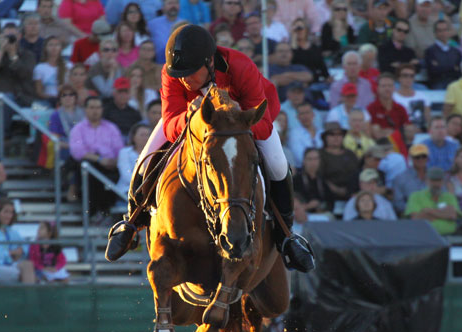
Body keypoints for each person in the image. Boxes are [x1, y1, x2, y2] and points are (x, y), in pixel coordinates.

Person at [104, 24, 314, 271]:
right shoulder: (171, 73)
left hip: (247, 121)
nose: (184, 79)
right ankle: (131, 222)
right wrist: (191, 119)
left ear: (209, 63)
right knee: (144, 161)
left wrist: (231, 122)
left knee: (278, 165)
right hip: (190, 119)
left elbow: (263, 124)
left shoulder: (241, 66)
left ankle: (286, 235)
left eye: (191, 72)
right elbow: (171, 120)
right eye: (180, 73)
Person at [68, 96, 124, 215]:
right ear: (85, 109)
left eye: (98, 107)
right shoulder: (78, 129)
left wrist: (114, 161)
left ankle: (107, 210)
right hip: (90, 164)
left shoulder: (111, 128)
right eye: (92, 107)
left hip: (111, 164)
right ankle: (92, 212)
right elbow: (77, 151)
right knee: (89, 168)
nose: (95, 111)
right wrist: (99, 159)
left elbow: (120, 149)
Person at [405, 167, 461, 235]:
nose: (436, 184)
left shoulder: (449, 197)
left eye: (439, 180)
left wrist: (428, 211)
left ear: (443, 182)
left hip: (450, 237)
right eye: (433, 180)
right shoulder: (416, 196)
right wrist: (444, 214)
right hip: (424, 236)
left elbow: (452, 215)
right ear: (426, 180)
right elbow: (416, 219)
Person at [318, 122, 359, 203]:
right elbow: (319, 177)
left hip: (353, 195)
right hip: (328, 196)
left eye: (339, 134)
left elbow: (358, 173)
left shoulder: (350, 154)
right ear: (325, 137)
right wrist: (335, 189)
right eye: (332, 134)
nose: (336, 137)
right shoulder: (319, 155)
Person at [392, 143, 430, 216]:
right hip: (411, 217)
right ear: (411, 158)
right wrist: (415, 211)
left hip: (434, 216)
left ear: (428, 158)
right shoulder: (400, 178)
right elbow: (398, 203)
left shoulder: (435, 176)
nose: (420, 159)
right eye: (417, 157)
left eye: (423, 156)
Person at [424, 19, 462, 90]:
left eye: (445, 30)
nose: (443, 33)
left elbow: (459, 72)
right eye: (439, 31)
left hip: (455, 84)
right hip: (438, 84)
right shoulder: (430, 51)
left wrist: (441, 66)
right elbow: (433, 72)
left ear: (449, 32)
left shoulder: (456, 52)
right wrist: (452, 67)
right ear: (435, 33)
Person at [117, 122, 152, 199]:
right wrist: (143, 184)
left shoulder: (154, 153)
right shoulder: (124, 152)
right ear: (133, 137)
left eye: (148, 135)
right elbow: (126, 174)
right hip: (127, 191)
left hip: (149, 190)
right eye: (142, 135)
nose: (145, 138)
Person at [34, 36, 70, 106]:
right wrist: (53, 97)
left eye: (57, 45)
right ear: (45, 48)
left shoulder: (69, 66)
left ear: (61, 48)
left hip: (67, 100)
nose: (54, 47)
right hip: (49, 101)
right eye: (51, 45)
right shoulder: (40, 68)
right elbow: (39, 92)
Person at [294, 147, 331, 213]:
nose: (313, 162)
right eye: (310, 159)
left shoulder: (323, 180)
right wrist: (308, 206)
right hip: (301, 215)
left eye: (316, 159)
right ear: (304, 161)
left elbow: (330, 201)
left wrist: (321, 208)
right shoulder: (296, 180)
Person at [287, 101, 323, 167]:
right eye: (302, 114)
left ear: (313, 114)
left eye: (307, 112)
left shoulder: (322, 132)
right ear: (297, 117)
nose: (305, 116)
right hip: (303, 170)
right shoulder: (294, 134)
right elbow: (299, 157)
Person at [320, 0, 355, 64]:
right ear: (332, 11)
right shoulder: (327, 27)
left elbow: (352, 46)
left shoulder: (349, 28)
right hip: (331, 60)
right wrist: (337, 34)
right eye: (337, 9)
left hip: (347, 60)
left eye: (344, 9)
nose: (341, 11)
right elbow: (326, 49)